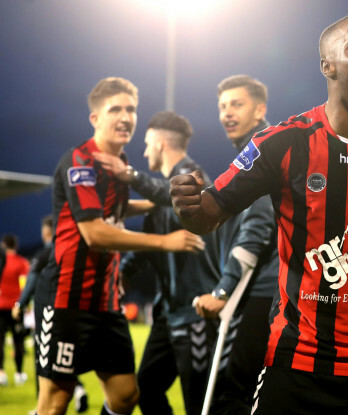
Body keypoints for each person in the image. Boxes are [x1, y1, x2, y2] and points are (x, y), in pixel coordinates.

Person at [170, 13, 348, 414]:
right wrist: (188, 205)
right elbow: (208, 213)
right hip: (296, 362)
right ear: (328, 66)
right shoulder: (283, 144)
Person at [35, 77, 205, 415]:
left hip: (106, 303)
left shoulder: (119, 165)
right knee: (57, 398)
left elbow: (115, 210)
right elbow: (94, 233)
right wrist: (164, 241)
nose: (125, 116)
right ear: (95, 118)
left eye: (131, 109)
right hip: (67, 299)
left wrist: (161, 202)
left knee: (126, 395)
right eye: (115, 109)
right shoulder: (81, 161)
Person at [94, 109, 228, 415]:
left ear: (160, 143)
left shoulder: (193, 179)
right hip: (168, 314)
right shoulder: (165, 195)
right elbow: (155, 244)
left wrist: (130, 176)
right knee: (145, 390)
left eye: (146, 143)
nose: (143, 151)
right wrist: (124, 272)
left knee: (201, 406)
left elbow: (167, 197)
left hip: (195, 314)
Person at [193, 74, 279, 414]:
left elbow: (257, 227)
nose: (227, 113)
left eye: (236, 104)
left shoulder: (261, 150)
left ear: (259, 110)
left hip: (268, 290)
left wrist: (222, 292)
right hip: (283, 287)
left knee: (234, 394)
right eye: (222, 106)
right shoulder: (273, 144)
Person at [12, 215, 89, 412]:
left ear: (46, 232)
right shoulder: (74, 252)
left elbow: (31, 282)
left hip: (49, 313)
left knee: (44, 362)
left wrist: (20, 305)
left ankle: (42, 407)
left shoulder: (45, 254)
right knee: (64, 360)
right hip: (74, 314)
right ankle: (78, 390)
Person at [0, 233, 30, 387]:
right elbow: (24, 286)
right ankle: (19, 374)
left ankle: (1, 374)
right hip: (15, 308)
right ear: (16, 246)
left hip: (0, 307)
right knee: (18, 342)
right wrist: (23, 305)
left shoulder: (1, 262)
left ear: (4, 245)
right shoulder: (21, 263)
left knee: (0, 341)